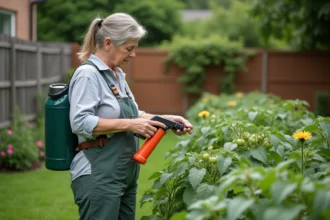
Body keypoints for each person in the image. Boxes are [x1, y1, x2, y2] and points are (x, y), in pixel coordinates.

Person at [68, 13, 193, 220]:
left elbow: (135, 114)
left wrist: (167, 120)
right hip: (99, 174)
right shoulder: (88, 75)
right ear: (108, 43)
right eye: (129, 48)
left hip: (124, 174)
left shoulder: (116, 74)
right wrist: (129, 125)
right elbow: (80, 122)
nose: (133, 54)